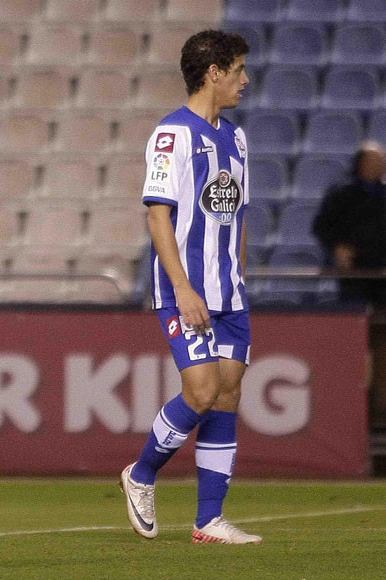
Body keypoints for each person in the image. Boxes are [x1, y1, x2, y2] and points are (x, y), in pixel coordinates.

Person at [120, 29, 261, 545]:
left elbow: (239, 218)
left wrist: (239, 279)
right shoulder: (171, 135)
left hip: (230, 292)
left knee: (226, 395)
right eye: (239, 69)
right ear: (213, 73)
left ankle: (209, 520)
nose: (246, 80)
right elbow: (159, 216)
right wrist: (182, 287)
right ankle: (140, 474)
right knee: (200, 391)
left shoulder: (238, 138)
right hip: (187, 289)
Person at [313, 141, 386, 307]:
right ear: (363, 163)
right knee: (355, 319)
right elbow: (322, 226)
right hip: (355, 272)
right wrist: (336, 248)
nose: (383, 165)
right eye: (377, 160)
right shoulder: (342, 194)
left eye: (384, 160)